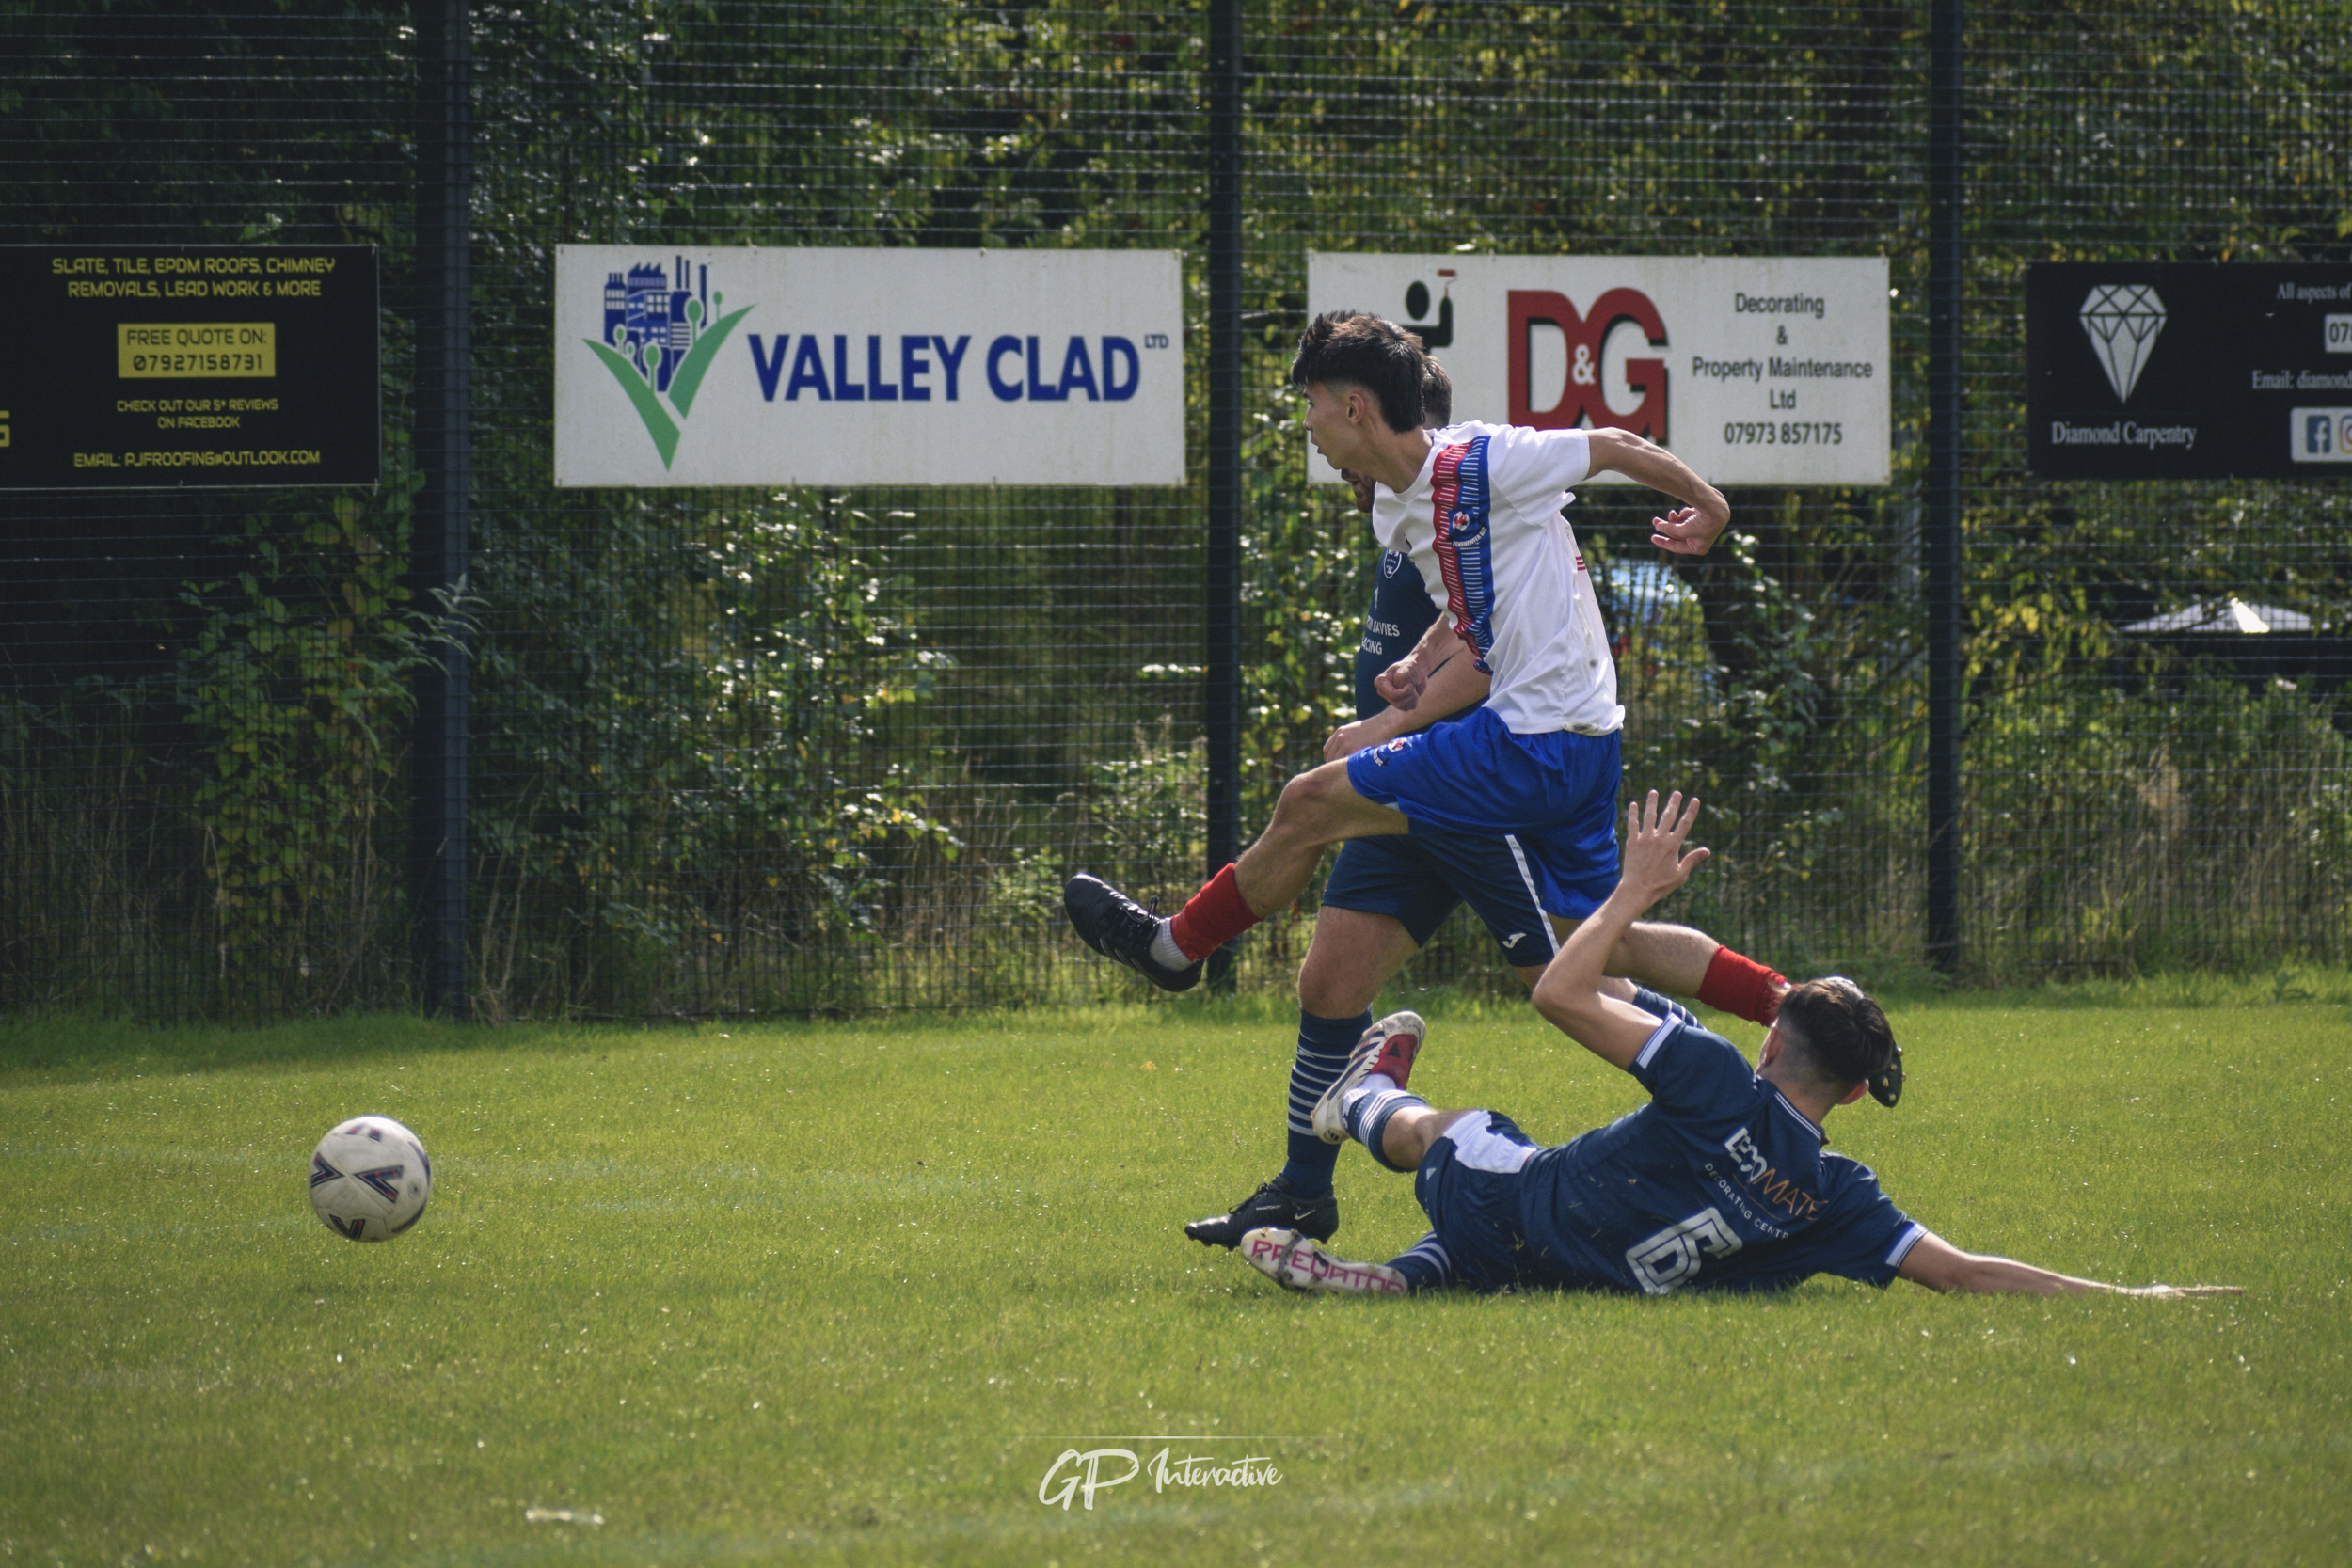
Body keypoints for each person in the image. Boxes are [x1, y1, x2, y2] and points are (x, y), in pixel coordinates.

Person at [1176, 354, 1790, 1251]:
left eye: (1312, 408)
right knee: (1591, 951)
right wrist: (1417, 672)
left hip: (1519, 753)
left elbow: (1612, 451)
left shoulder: (1483, 466)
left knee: (1321, 809)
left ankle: (1175, 945)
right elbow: (1480, 615)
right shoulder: (1400, 509)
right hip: (1554, 744)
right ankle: (1783, 1024)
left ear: (1358, 410)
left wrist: (1713, 504)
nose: (1309, 430)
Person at [1234, 791, 2238, 1301]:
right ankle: (1402, 1277)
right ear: (1849, 1094)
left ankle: (1358, 1098)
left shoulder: (1717, 1077)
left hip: (1522, 1203)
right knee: (1469, 1256)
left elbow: (1557, 990)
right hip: (1585, 1276)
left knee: (1471, 1130)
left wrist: (1631, 887)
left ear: (1768, 1047)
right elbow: (1965, 1270)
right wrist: (2133, 1292)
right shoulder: (1839, 1196)